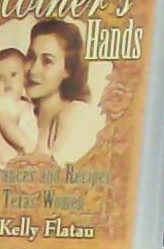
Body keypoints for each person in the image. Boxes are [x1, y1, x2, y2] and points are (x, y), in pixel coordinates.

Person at [23, 16, 105, 166]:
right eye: (31, 57)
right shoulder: (23, 115)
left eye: (47, 61)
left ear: (68, 69)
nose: (33, 69)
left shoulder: (79, 116)